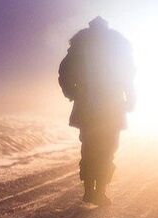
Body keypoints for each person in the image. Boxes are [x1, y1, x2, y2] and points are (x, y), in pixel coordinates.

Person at [57, 15, 135, 205]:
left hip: (87, 105)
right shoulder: (117, 43)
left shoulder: (80, 42)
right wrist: (131, 98)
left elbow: (64, 73)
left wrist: (72, 93)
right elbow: (128, 75)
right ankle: (99, 191)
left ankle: (90, 190)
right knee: (107, 148)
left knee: (89, 146)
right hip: (112, 104)